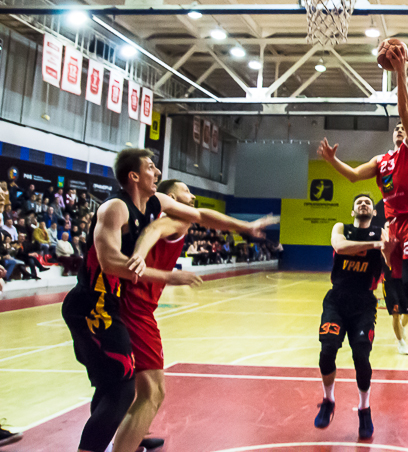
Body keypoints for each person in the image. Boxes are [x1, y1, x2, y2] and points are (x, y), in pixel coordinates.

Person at [61, 149, 273, 452]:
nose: (158, 172)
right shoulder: (115, 208)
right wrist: (166, 275)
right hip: (94, 305)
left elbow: (200, 216)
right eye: (151, 167)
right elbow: (115, 258)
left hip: (113, 303)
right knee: (131, 389)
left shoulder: (156, 203)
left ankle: (131, 436)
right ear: (134, 176)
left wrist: (245, 226)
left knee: (116, 387)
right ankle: (123, 440)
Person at [317, 42, 408, 374]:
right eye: (396, 129)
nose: (400, 129)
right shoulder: (382, 161)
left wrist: (401, 72)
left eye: (403, 127)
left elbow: (405, 112)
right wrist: (333, 162)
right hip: (396, 225)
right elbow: (353, 176)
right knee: (405, 289)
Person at [314, 194, 384, 440]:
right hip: (337, 299)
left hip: (364, 303)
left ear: (374, 212)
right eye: (359, 203)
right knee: (327, 350)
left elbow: (390, 257)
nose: (364, 204)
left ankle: (364, 409)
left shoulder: (382, 232)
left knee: (361, 356)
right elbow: (340, 247)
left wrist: (389, 246)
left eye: (368, 203)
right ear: (353, 211)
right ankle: (328, 401)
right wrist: (377, 245)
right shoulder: (341, 228)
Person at [382, 259, 408, 355]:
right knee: (396, 313)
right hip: (389, 283)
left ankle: (401, 327)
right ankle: (401, 343)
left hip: (404, 283)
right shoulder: (384, 250)